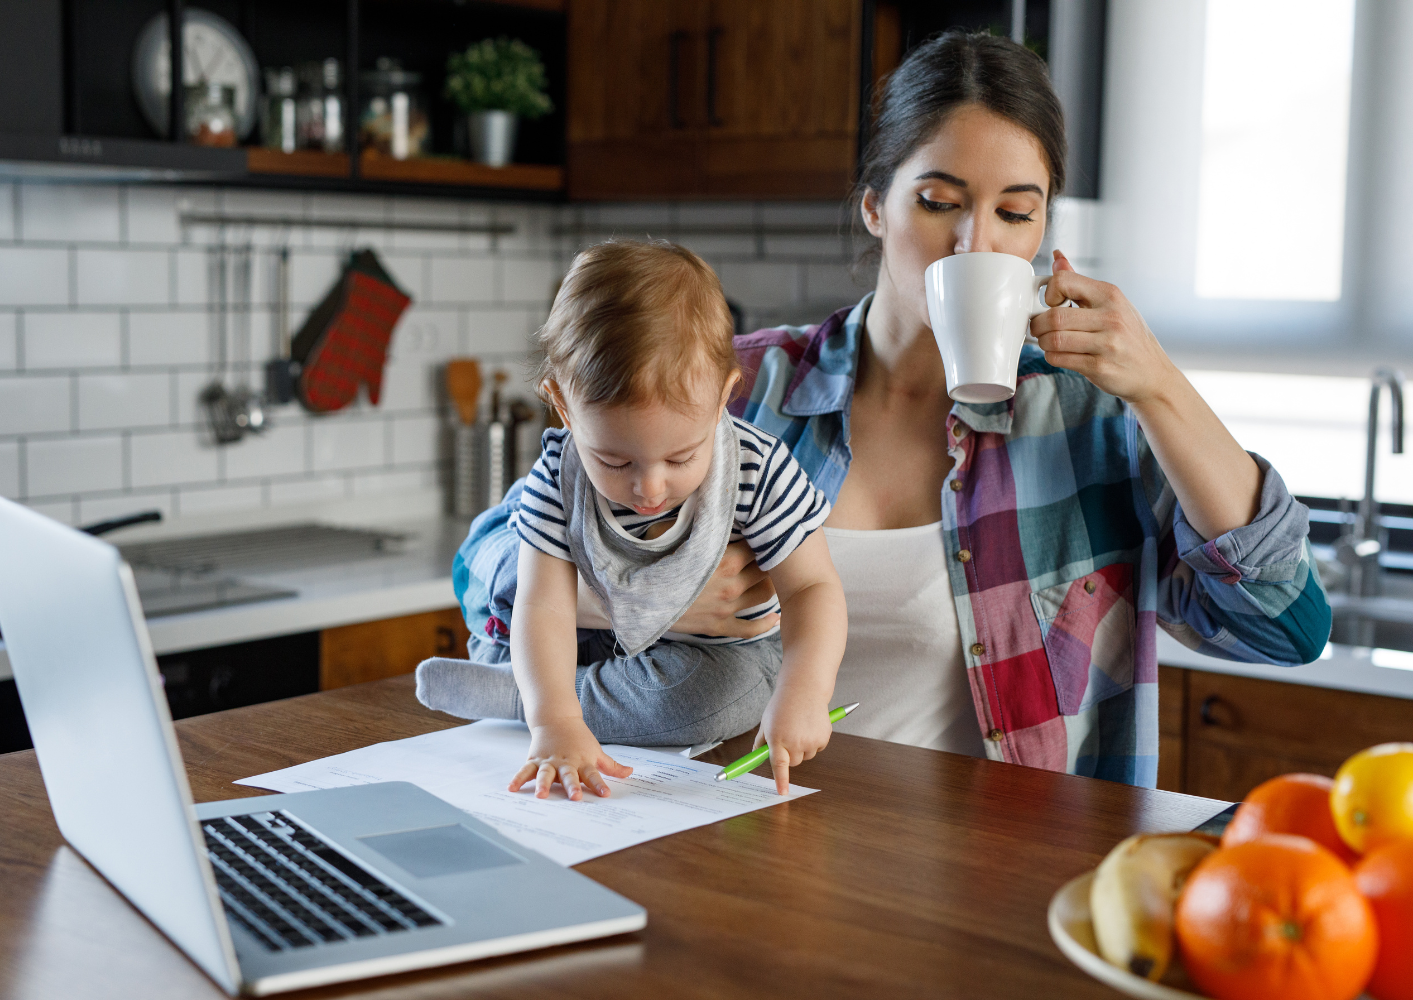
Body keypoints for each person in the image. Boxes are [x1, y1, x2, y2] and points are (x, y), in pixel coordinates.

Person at [452, 29, 1330, 788]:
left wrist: (1161, 387)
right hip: (729, 843)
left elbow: (1285, 628)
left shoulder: (1093, 422)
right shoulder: (741, 391)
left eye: (1014, 214)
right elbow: (483, 567)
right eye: (938, 202)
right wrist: (645, 599)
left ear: (1042, 232)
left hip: (986, 888)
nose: (973, 242)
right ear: (875, 205)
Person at [418, 240, 847, 800]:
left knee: (720, 697)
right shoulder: (561, 467)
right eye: (614, 461)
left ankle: (511, 698)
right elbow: (543, 601)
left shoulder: (756, 466)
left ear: (723, 398)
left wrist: (806, 689)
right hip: (591, 642)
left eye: (681, 458)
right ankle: (538, 698)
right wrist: (556, 725)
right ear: (562, 404)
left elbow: (814, 587)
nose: (649, 487)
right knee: (518, 641)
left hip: (709, 655)